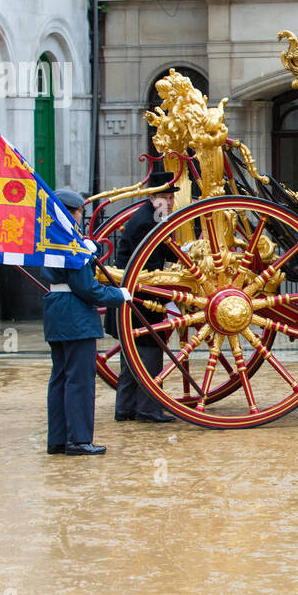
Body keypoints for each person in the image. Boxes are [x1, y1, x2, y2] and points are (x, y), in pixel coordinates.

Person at [44, 190, 132, 455]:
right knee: (80, 380)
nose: (81, 216)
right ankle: (79, 439)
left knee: (60, 378)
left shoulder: (49, 238)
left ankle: (58, 439)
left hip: (56, 312)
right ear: (71, 212)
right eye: (79, 211)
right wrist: (119, 295)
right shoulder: (70, 244)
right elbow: (88, 289)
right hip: (76, 316)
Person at [110, 171, 177, 423]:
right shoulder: (148, 221)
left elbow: (160, 253)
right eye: (164, 197)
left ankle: (126, 407)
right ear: (153, 197)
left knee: (131, 357)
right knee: (149, 353)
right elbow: (151, 264)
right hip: (141, 297)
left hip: (131, 295)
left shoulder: (149, 217)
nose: (169, 202)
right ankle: (148, 409)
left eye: (170, 198)